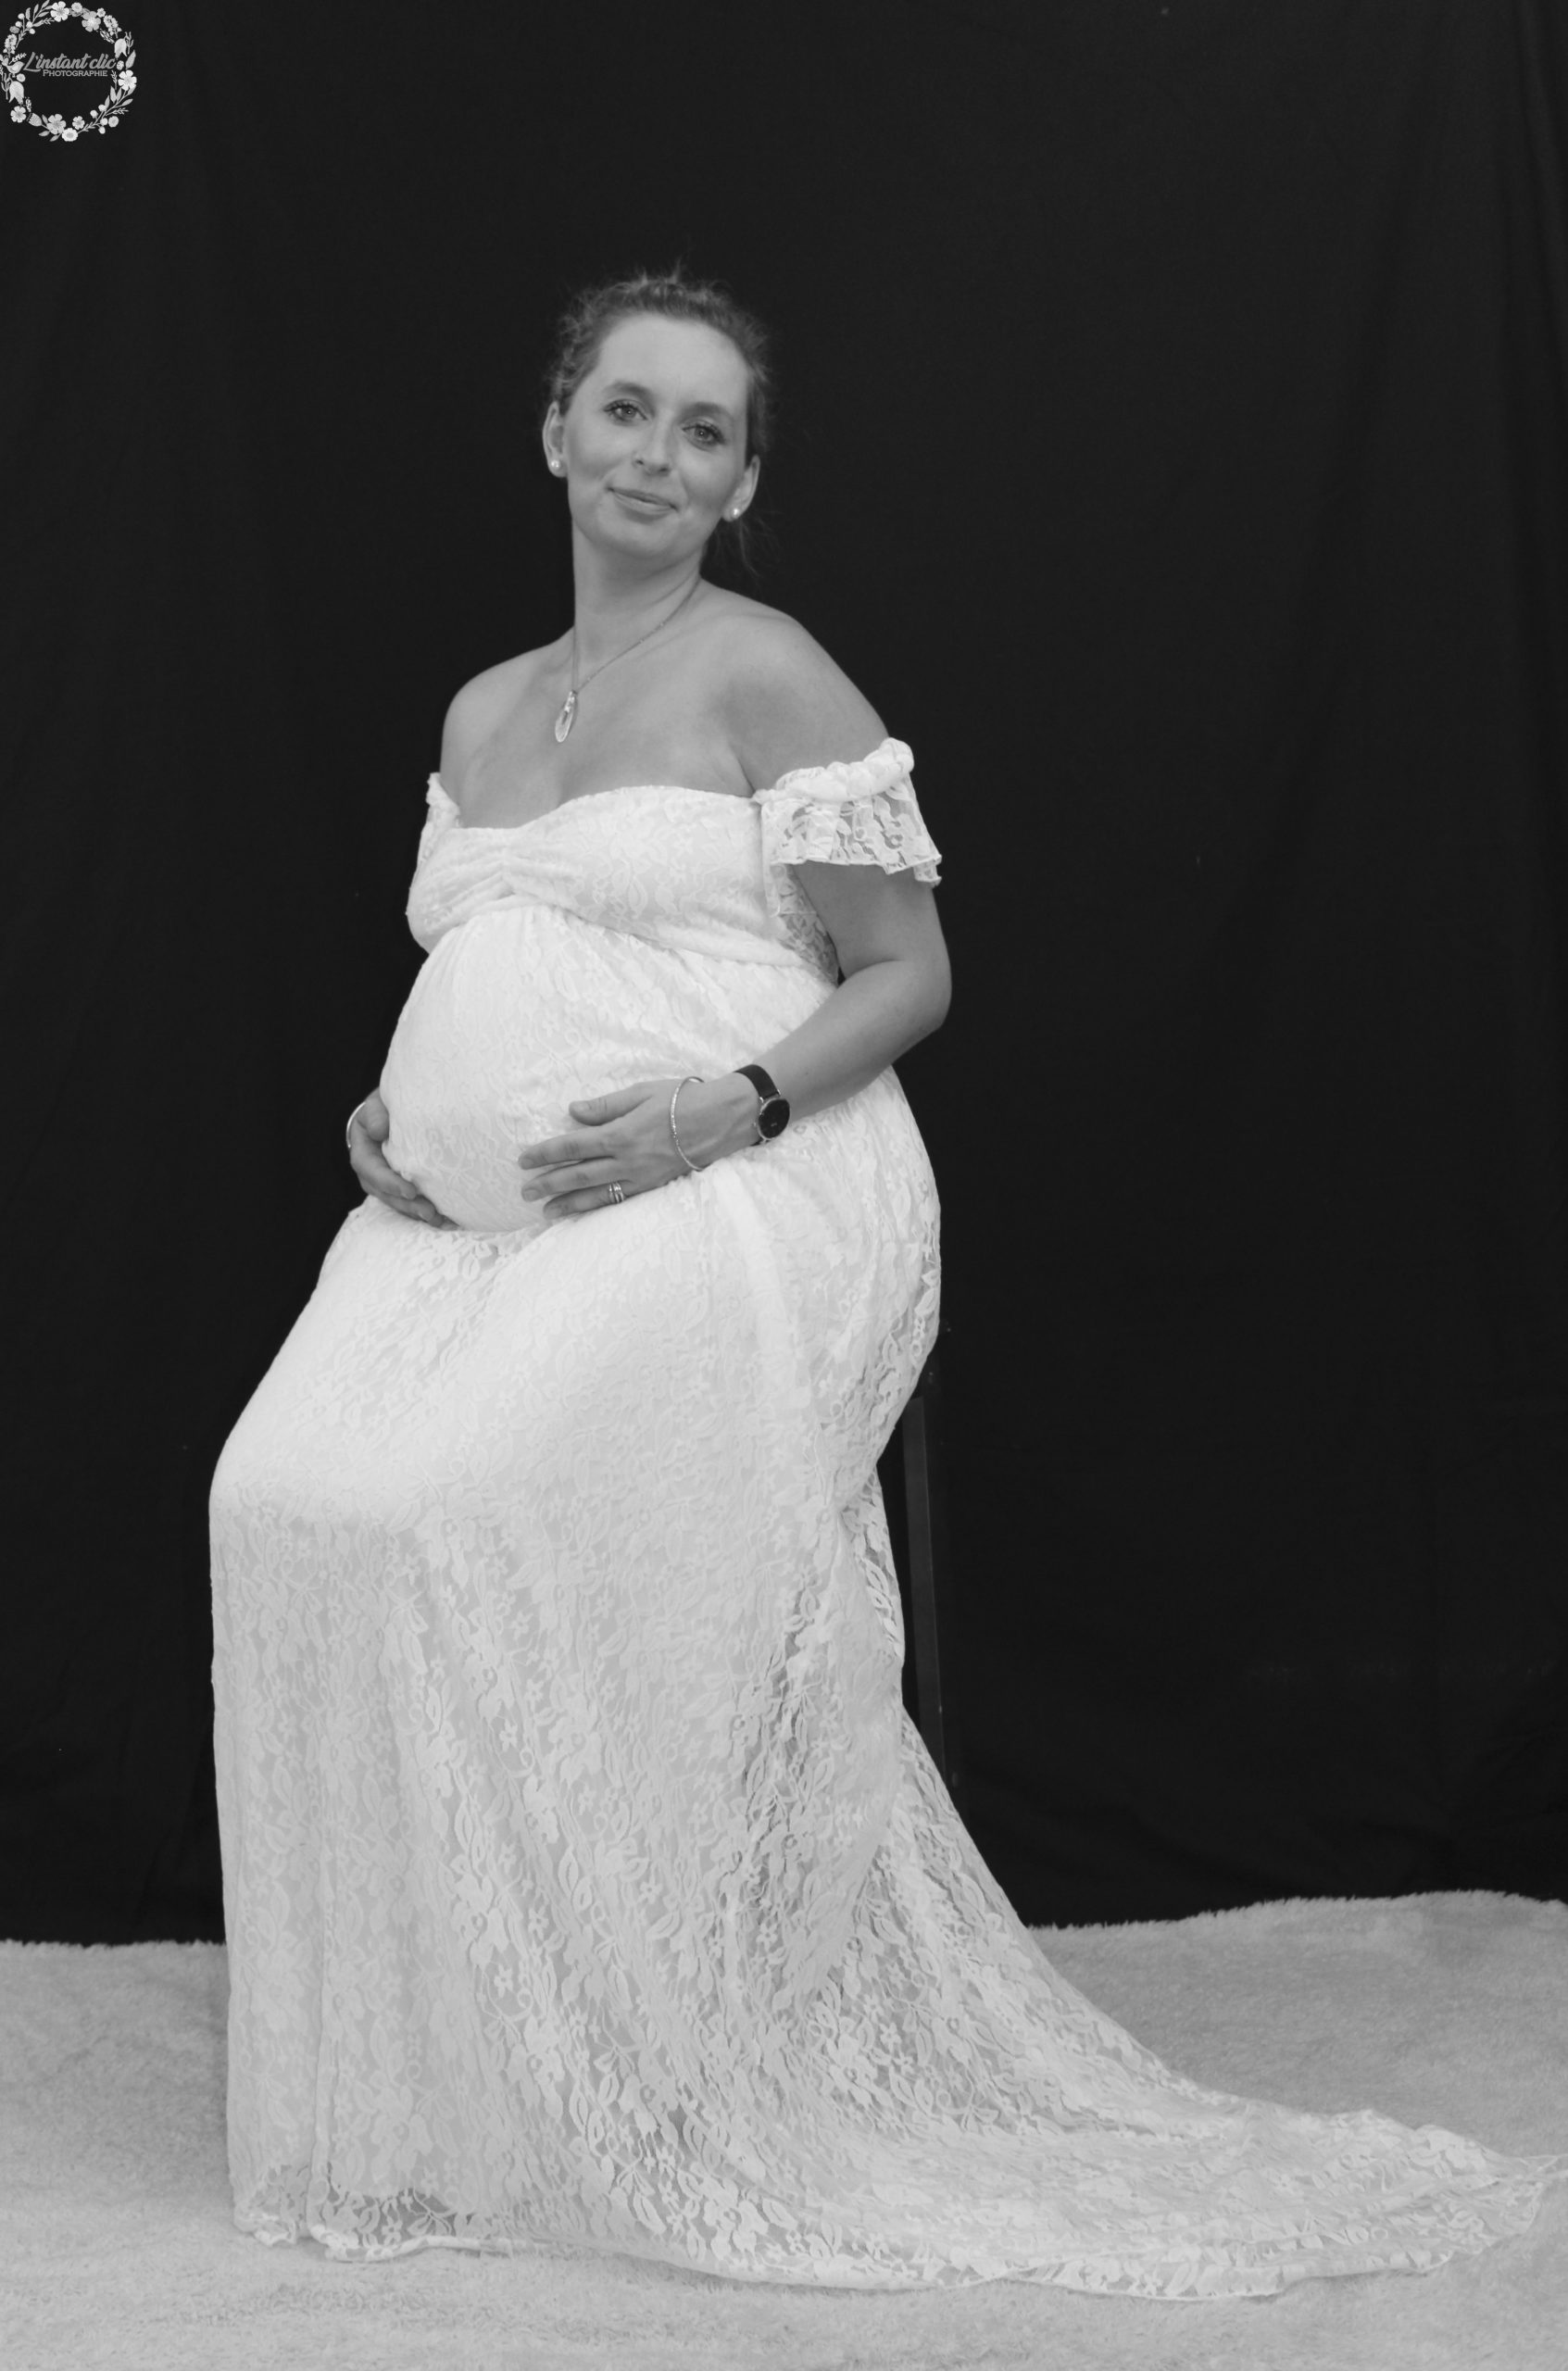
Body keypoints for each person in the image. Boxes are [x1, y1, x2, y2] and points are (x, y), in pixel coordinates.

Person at [209, 270, 1562, 2294]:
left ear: (743, 480)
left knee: (432, 1507)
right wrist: (397, 1107)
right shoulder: (482, 709)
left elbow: (908, 973)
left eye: (706, 430)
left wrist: (718, 1110)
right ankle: (424, 2085)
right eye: (627, 410)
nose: (658, 455)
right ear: (554, 431)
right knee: (278, 1501)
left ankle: (619, 2046)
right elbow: (487, 957)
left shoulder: (767, 672)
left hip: (750, 1176)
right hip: (463, 1220)